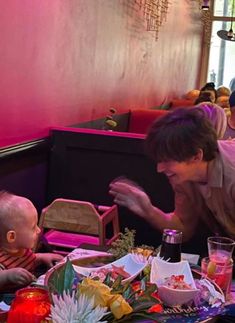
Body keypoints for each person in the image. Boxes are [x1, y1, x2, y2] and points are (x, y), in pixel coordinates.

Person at [109, 108, 235, 242]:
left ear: (196, 156)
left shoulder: (231, 173)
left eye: (167, 160)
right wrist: (148, 210)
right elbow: (182, 228)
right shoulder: (184, 177)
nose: (160, 169)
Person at [0, 191, 63, 290]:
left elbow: (27, 260)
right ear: (12, 237)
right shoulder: (2, 260)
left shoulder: (22, 250)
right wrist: (7, 276)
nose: (38, 230)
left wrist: (41, 257)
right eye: (33, 227)